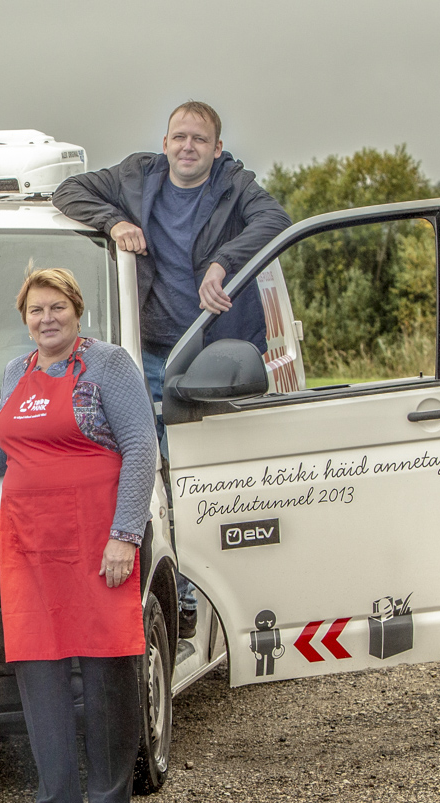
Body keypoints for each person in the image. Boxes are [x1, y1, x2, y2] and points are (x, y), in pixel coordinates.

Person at [0, 268, 156, 803]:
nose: (46, 319)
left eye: (56, 308)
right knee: (39, 667)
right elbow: (3, 444)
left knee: (105, 665)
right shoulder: (16, 373)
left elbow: (141, 447)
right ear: (24, 318)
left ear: (77, 310)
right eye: (35, 311)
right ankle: (57, 800)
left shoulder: (108, 365)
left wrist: (125, 534)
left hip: (99, 538)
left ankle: (109, 801)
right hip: (31, 543)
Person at [51, 101, 292, 636]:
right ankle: (178, 595)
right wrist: (113, 222)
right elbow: (67, 192)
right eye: (179, 137)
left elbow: (277, 222)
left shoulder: (235, 186)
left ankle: (240, 604)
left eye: (199, 140)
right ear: (164, 143)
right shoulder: (136, 176)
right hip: (154, 355)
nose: (188, 147)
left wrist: (224, 262)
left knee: (218, 480)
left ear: (217, 149)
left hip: (218, 356)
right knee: (158, 478)